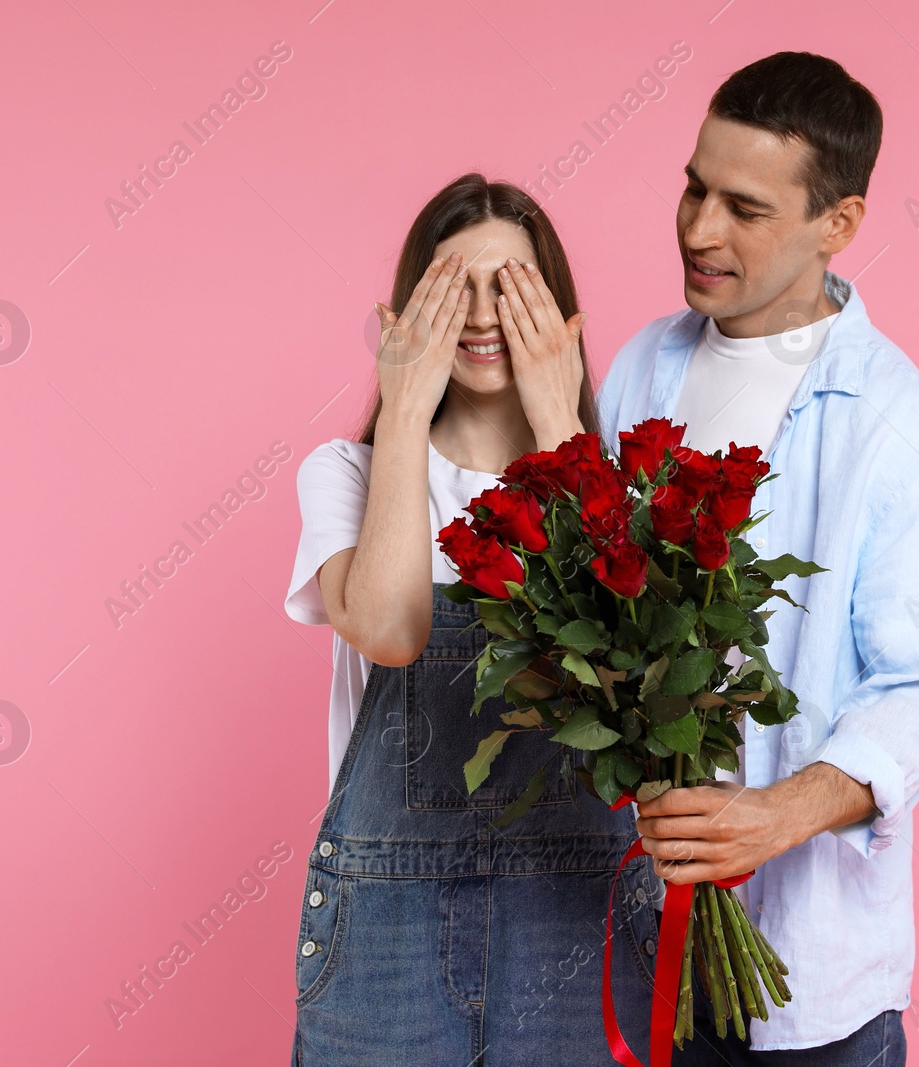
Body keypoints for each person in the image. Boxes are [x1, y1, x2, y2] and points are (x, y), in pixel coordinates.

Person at [597, 52, 919, 1064]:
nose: (697, 229)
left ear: (836, 224)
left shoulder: (895, 423)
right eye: (693, 187)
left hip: (810, 978)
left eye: (744, 208)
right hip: (640, 938)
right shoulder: (642, 364)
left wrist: (779, 813)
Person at [282, 173, 660, 1065]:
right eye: (456, 289)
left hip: (580, 913)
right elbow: (392, 628)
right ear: (407, 314)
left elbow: (628, 673)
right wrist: (404, 406)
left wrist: (559, 419)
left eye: (513, 289)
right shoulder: (344, 473)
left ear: (561, 316)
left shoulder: (616, 489)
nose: (485, 316)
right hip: (388, 923)